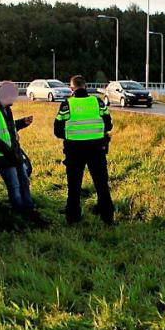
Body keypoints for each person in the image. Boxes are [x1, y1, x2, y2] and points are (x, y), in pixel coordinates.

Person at [0, 81, 48, 227]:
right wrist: (9, 152)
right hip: (2, 158)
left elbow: (8, 127)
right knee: (15, 186)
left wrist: (22, 123)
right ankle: (20, 214)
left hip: (13, 154)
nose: (13, 99)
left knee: (24, 181)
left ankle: (29, 210)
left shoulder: (5, 108)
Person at [54, 75, 115, 225]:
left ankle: (73, 218)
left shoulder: (67, 104)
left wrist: (72, 135)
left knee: (74, 186)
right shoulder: (97, 102)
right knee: (101, 184)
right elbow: (108, 125)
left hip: (74, 150)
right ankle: (107, 218)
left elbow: (57, 130)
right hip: (97, 150)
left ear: (71, 88)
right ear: (86, 87)